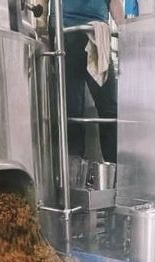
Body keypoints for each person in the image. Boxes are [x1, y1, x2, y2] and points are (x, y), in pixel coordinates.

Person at [59, 0, 123, 163]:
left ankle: (112, 168)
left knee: (109, 108)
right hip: (66, 32)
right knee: (72, 107)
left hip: (97, 35)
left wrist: (124, 28)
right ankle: (75, 169)